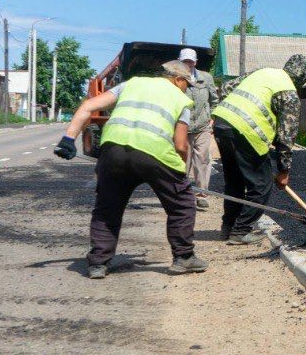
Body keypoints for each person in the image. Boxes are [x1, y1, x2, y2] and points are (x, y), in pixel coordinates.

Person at [54, 61, 206, 279]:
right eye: (187, 84)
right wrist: (181, 173)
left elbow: (88, 106)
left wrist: (68, 139)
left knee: (107, 208)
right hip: (154, 153)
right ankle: (183, 258)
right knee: (182, 204)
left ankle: (98, 263)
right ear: (178, 80)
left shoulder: (131, 84)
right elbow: (181, 145)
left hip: (113, 150)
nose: (187, 89)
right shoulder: (181, 100)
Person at [211, 54, 306, 245]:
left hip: (222, 123)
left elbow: (225, 87)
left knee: (235, 181)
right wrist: (284, 170)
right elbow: (286, 135)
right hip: (246, 132)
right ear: (302, 78)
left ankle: (228, 227)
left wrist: (225, 115)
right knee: (261, 185)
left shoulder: (263, 72)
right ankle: (241, 231)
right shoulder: (289, 93)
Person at [178, 48, 219, 210]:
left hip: (202, 127)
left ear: (195, 62)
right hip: (183, 127)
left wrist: (212, 118)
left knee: (202, 161)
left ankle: (201, 195)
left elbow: (215, 100)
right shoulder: (176, 79)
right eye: (185, 61)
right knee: (183, 161)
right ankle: (181, 194)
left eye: (190, 61)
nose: (188, 64)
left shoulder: (206, 78)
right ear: (180, 62)